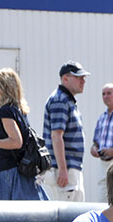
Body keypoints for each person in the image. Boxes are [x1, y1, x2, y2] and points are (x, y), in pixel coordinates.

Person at [0, 68, 49, 201]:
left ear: (4, 87)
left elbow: (16, 141)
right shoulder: (19, 110)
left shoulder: (5, 111)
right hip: (22, 175)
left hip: (8, 174)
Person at [43, 61, 89, 201]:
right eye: (78, 77)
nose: (83, 81)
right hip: (65, 170)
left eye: (83, 78)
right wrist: (62, 170)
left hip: (70, 168)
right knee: (68, 217)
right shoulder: (60, 100)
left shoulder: (67, 101)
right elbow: (56, 136)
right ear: (65, 79)